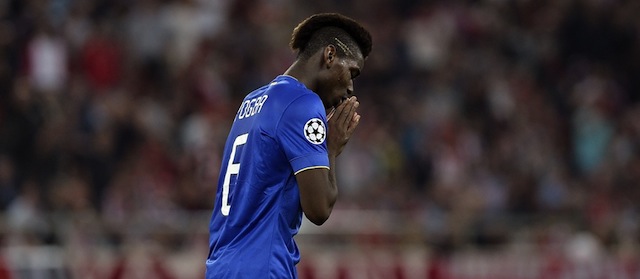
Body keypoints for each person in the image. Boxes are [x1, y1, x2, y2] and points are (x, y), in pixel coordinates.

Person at [205, 13, 372, 278]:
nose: (351, 87)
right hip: (262, 267)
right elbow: (319, 209)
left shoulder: (252, 102)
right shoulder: (302, 103)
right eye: (351, 72)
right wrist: (331, 148)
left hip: (221, 266)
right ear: (329, 56)